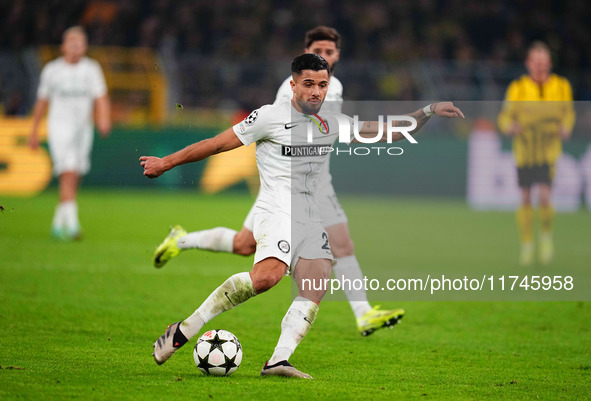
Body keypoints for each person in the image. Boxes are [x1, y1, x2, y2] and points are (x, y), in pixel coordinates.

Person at [140, 54, 464, 378]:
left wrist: (428, 110)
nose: (316, 92)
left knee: (315, 283)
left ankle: (278, 360)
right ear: (293, 85)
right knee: (267, 277)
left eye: (322, 85)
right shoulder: (268, 117)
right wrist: (165, 163)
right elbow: (215, 144)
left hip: (309, 213)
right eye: (308, 84)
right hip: (275, 206)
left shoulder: (332, 122)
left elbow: (389, 132)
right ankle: (183, 329)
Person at [153, 26, 401, 337]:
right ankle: (361, 314)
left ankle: (182, 240)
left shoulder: (332, 87)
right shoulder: (292, 90)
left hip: (312, 182)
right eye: (318, 50)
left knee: (246, 244)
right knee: (315, 252)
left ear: (337, 55)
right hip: (286, 183)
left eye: (329, 52)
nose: (323, 56)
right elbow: (279, 132)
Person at [28, 26, 111, 240]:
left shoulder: (91, 69)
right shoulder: (52, 70)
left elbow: (100, 96)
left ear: (85, 47)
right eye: (72, 44)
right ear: (64, 46)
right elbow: (42, 101)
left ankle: (58, 223)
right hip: (59, 127)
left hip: (83, 129)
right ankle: (73, 225)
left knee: (76, 173)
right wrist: (34, 130)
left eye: (80, 44)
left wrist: (103, 119)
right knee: (69, 171)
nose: (76, 48)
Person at [498, 41, 575, 265]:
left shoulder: (561, 87)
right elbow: (504, 117)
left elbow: (568, 113)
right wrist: (509, 127)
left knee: (544, 196)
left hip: (548, 152)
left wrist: (566, 127)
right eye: (536, 62)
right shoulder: (518, 88)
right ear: (528, 64)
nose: (540, 66)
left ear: (549, 64)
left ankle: (546, 236)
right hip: (525, 151)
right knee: (525, 198)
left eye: (543, 62)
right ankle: (527, 243)